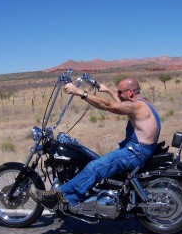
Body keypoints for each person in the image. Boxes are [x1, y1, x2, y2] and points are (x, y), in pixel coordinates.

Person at [30, 77, 161, 209]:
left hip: (135, 152)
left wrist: (80, 92)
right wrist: (107, 90)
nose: (119, 95)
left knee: (94, 167)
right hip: (136, 149)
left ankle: (59, 197)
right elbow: (121, 101)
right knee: (96, 161)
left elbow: (110, 105)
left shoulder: (137, 107)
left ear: (131, 92)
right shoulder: (143, 102)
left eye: (120, 92)